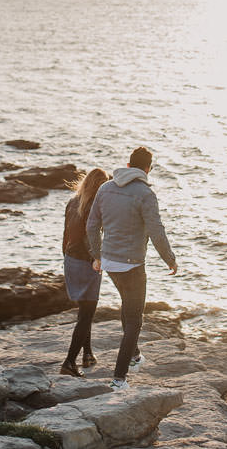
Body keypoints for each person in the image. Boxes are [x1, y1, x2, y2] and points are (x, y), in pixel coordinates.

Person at [87, 145, 178, 389]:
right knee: (134, 319)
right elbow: (156, 231)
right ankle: (119, 378)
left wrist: (97, 255)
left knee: (127, 307)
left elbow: (91, 225)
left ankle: (135, 356)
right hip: (132, 266)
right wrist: (169, 258)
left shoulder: (105, 188)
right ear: (148, 169)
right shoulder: (145, 194)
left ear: (128, 166)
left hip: (110, 262)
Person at [58, 167, 108, 377]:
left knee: (84, 310)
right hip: (87, 262)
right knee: (87, 315)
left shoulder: (73, 201)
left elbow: (66, 234)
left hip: (70, 259)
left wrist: (67, 259)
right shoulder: (95, 205)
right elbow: (92, 238)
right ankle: (69, 362)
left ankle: (87, 354)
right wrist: (98, 259)